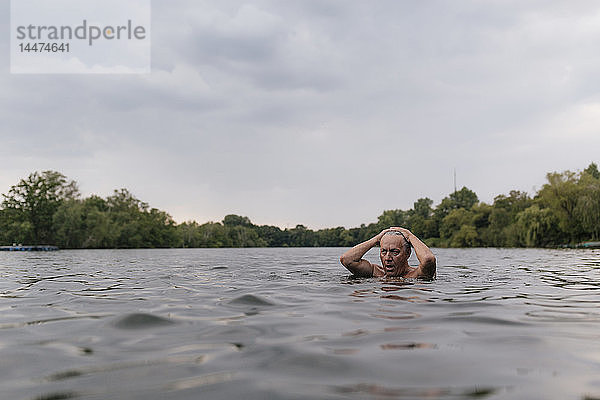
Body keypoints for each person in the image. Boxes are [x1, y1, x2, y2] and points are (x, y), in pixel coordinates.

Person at [340, 227, 436, 279]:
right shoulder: (375, 271)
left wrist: (410, 236)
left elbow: (428, 259)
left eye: (394, 252)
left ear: (407, 253)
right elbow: (346, 259)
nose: (387, 258)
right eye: (384, 251)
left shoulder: (416, 275)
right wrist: (376, 239)